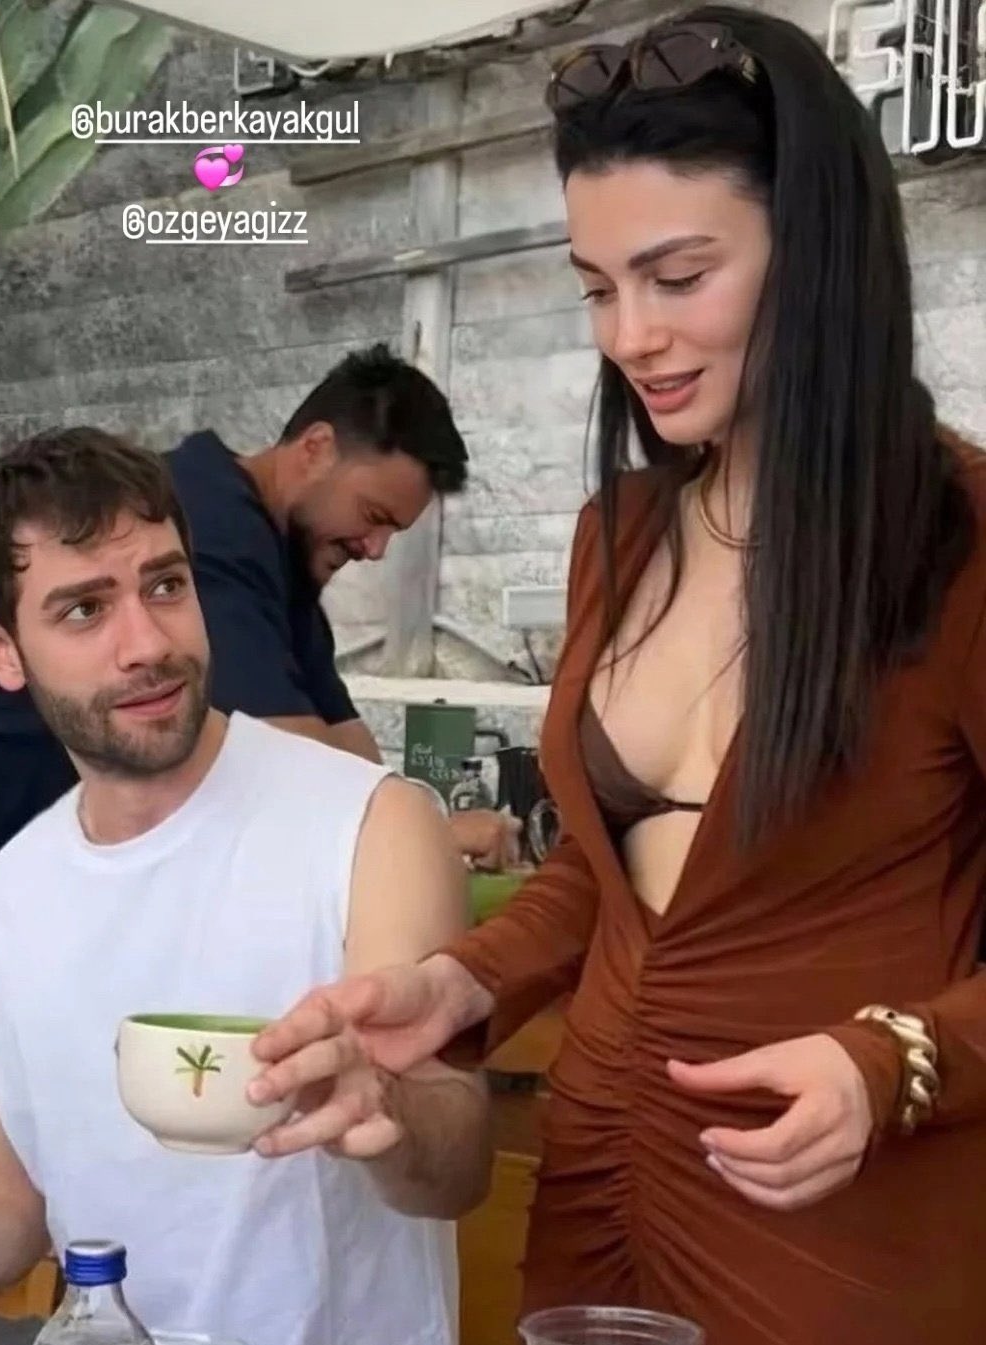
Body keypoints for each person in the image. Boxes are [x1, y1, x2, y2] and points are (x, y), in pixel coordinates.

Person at [245, 8, 986, 1344]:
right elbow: (609, 874)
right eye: (597, 288)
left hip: (842, 1225)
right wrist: (463, 983)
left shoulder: (966, 541)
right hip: (599, 1180)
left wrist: (893, 1060)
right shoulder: (622, 533)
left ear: (817, 252)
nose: (630, 335)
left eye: (678, 275)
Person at [0, 429, 492, 1345]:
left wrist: (386, 1105)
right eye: (84, 609)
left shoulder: (372, 824)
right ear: (2, 650)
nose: (147, 643)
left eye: (165, 586)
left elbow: (458, 1167)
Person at [0, 343, 516, 1055]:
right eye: (373, 514)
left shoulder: (286, 568)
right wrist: (429, 835)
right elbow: (300, 765)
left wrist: (406, 826)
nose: (377, 548)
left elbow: (354, 771)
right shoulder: (208, 523)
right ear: (316, 448)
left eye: (168, 587)